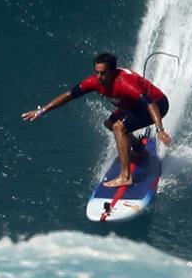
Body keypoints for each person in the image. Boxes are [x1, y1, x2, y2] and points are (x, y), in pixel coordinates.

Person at [26, 53, 172, 193]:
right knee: (109, 124)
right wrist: (42, 110)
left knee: (119, 127)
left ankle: (126, 177)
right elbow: (69, 95)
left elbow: (151, 105)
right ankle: (139, 148)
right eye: (97, 72)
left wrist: (160, 130)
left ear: (113, 72)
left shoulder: (124, 84)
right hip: (131, 105)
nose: (99, 77)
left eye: (103, 73)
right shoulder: (94, 82)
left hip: (157, 105)